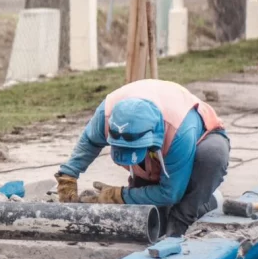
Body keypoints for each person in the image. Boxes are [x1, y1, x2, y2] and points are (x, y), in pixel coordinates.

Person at [55, 79, 230, 236]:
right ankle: (164, 208)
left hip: (200, 141)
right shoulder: (107, 115)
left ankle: (188, 215)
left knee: (211, 156)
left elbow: (170, 193)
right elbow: (89, 142)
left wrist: (119, 195)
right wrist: (68, 176)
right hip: (157, 149)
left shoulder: (180, 132)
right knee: (150, 218)